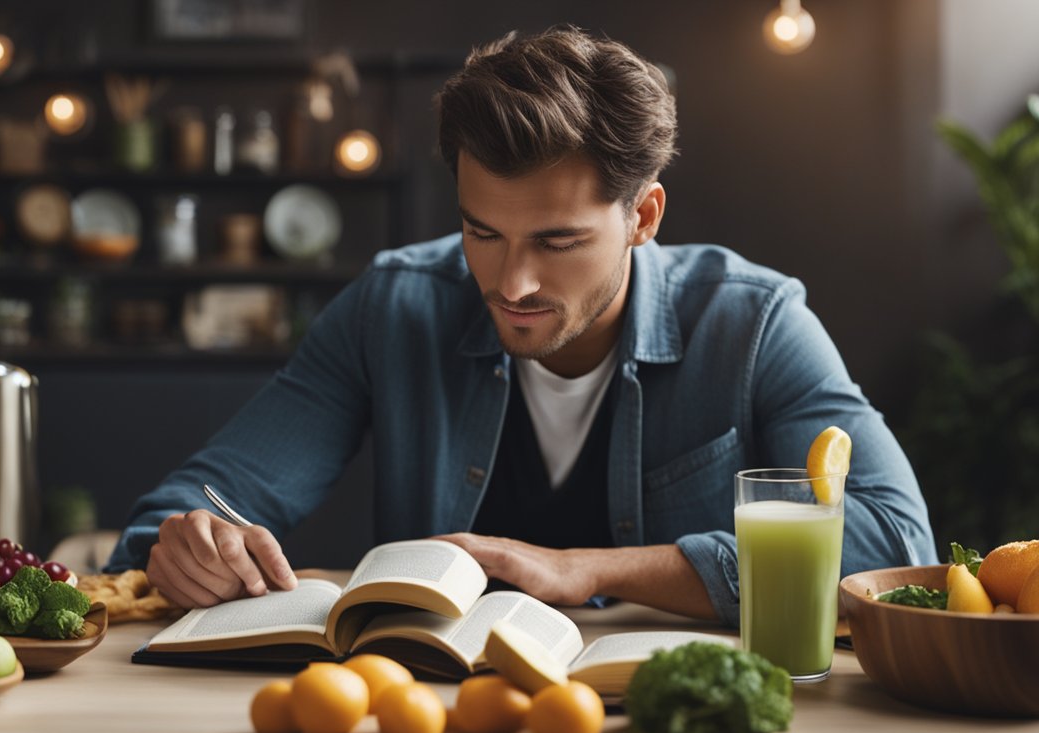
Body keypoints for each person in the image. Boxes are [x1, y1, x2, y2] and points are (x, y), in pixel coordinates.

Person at [105, 26, 936, 626]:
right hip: (425, 723)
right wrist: (186, 541)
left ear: (643, 215)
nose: (512, 282)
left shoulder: (752, 320)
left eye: (558, 241)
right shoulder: (394, 304)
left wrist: (586, 572)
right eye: (483, 233)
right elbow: (186, 507)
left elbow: (895, 541)